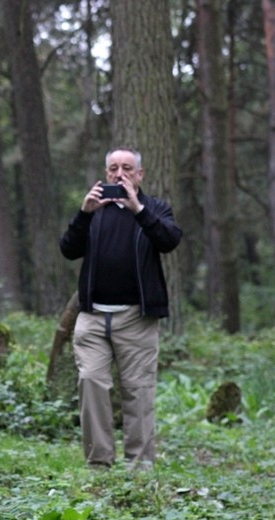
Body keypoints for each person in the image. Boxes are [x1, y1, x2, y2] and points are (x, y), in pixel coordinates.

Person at [58, 146, 182, 469]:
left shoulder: (154, 208)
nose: (119, 174)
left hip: (136, 318)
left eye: (127, 168)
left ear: (139, 175)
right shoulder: (94, 210)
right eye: (113, 168)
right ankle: (99, 466)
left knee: (139, 392)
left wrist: (138, 209)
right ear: (106, 173)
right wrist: (84, 214)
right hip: (93, 317)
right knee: (91, 383)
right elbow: (68, 250)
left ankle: (140, 469)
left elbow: (170, 240)